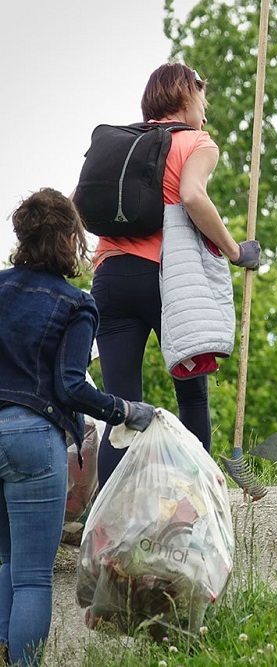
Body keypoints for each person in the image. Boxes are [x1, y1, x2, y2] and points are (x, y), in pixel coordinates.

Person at [0, 189, 155, 667]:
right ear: (71, 239)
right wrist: (125, 410)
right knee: (31, 576)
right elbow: (71, 386)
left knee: (3, 561)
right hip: (33, 439)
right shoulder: (76, 303)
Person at [88, 63, 260, 488]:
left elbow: (81, 201)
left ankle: (109, 527)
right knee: (192, 397)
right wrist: (236, 251)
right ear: (186, 101)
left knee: (121, 409)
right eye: (203, 100)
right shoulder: (196, 141)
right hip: (167, 279)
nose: (207, 109)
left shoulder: (120, 144)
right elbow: (191, 196)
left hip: (109, 276)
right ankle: (197, 508)